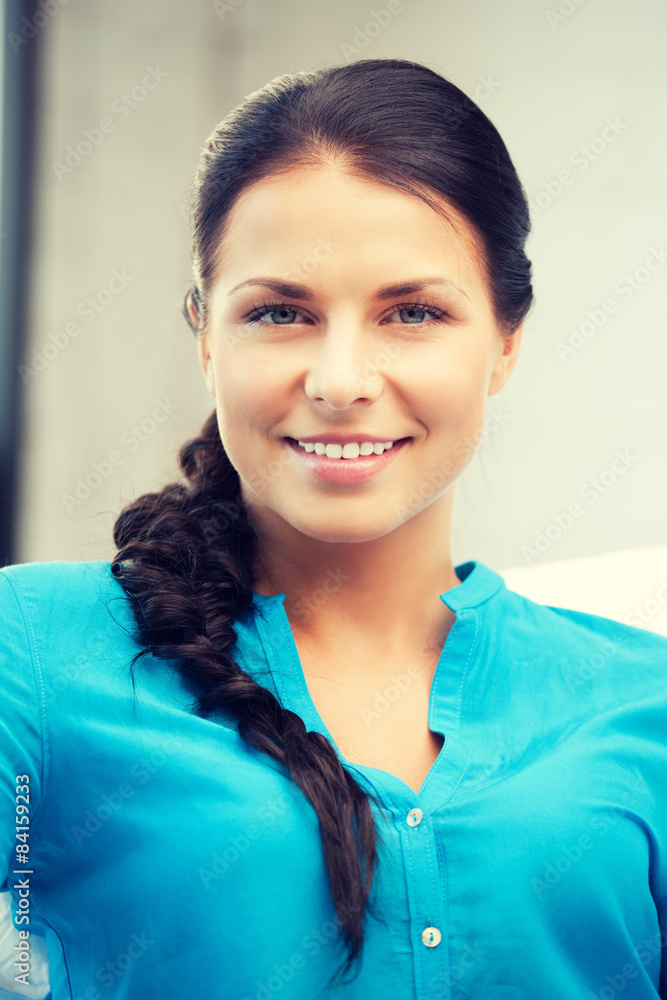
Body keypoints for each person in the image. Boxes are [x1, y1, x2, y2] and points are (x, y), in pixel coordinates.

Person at [2, 56, 667, 1000]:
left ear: (505, 342)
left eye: (413, 312)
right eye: (280, 312)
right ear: (203, 334)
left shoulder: (645, 704)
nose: (340, 380)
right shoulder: (33, 651)